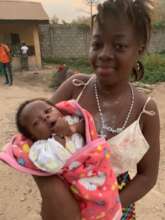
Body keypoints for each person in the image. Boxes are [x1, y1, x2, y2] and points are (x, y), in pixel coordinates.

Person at [31, 0, 160, 219]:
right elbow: (30, 139)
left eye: (119, 46)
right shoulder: (75, 89)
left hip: (116, 207)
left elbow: (147, 176)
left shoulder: (145, 112)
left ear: (139, 49)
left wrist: (104, 205)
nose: (104, 54)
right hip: (63, 206)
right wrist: (55, 194)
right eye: (97, 44)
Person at [13, 98, 122, 220]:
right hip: (79, 184)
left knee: (108, 200)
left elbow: (88, 125)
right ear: (33, 136)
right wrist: (60, 136)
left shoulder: (71, 120)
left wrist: (72, 129)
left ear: (59, 111)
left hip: (99, 172)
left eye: (48, 111)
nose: (45, 117)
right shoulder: (41, 148)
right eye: (36, 123)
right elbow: (52, 165)